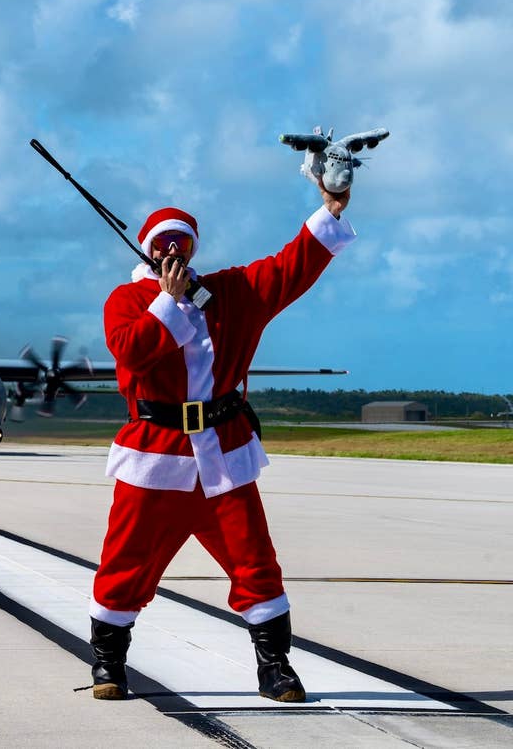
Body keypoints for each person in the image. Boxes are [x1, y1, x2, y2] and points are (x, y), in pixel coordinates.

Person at [89, 181, 355, 702]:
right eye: (163, 243)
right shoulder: (126, 302)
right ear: (147, 249)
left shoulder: (230, 293)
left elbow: (290, 266)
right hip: (155, 457)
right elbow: (132, 353)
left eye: (181, 243)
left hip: (223, 454)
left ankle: (274, 666)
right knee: (125, 560)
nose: (172, 251)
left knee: (255, 560)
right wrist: (167, 304)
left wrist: (330, 209)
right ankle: (108, 663)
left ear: (192, 249)